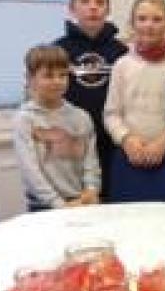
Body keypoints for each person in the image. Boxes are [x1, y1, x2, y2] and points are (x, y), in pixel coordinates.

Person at [103, 0, 165, 200]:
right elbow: (111, 114)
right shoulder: (122, 65)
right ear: (132, 24)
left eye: (157, 19)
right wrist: (127, 139)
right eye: (142, 19)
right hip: (131, 157)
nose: (149, 25)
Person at [54, 0, 128, 202]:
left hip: (112, 145)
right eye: (85, 0)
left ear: (108, 9)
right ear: (72, 7)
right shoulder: (57, 50)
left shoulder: (122, 52)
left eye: (100, 1)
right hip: (72, 146)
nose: (93, 7)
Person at [13, 45, 101, 211]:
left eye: (63, 75)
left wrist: (92, 189)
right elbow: (30, 170)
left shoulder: (81, 117)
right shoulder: (24, 119)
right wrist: (58, 204)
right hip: (44, 205)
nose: (57, 81)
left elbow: (91, 161)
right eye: (48, 76)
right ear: (30, 78)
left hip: (80, 200)